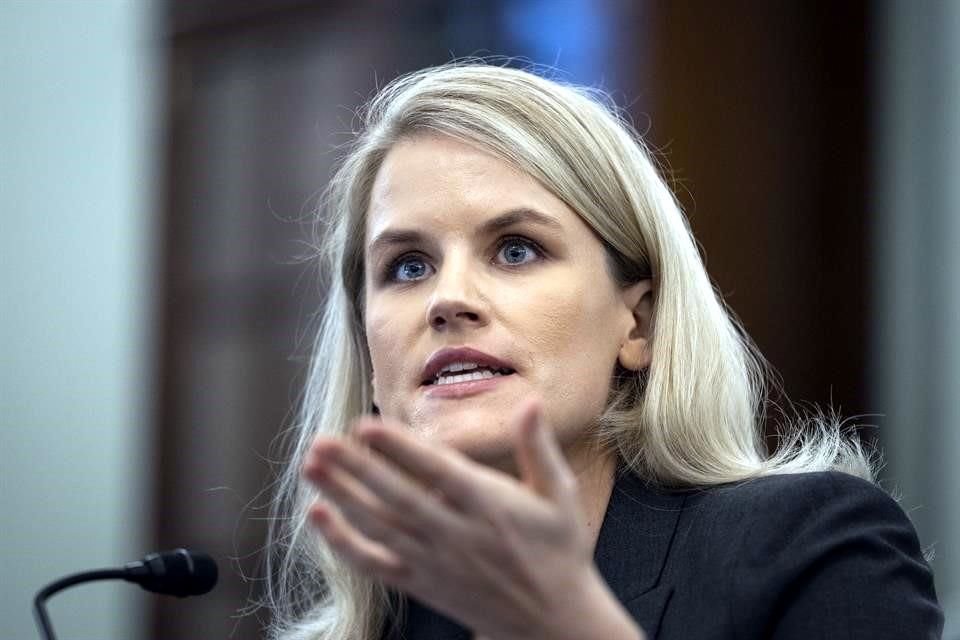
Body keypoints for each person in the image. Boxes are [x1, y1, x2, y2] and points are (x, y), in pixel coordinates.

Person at [263, 62, 944, 640]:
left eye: (515, 250)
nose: (448, 298)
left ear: (638, 323)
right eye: (408, 266)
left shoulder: (806, 549)